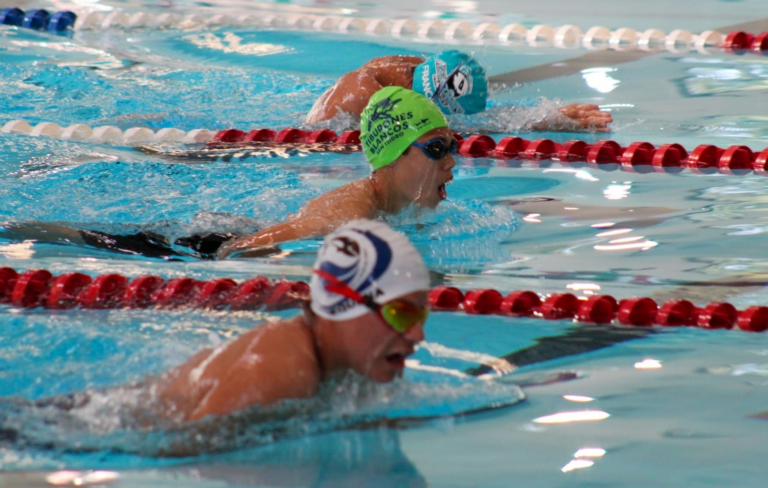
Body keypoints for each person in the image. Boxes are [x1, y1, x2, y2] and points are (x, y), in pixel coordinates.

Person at [0, 86, 455, 260]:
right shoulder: (349, 216)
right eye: (437, 149)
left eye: (452, 147)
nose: (452, 161)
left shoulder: (391, 208)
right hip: (202, 251)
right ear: (392, 156)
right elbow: (256, 249)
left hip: (237, 230)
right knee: (86, 237)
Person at [152, 219, 430, 421]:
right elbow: (182, 449)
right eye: (400, 313)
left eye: (420, 314)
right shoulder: (282, 365)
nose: (418, 335)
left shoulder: (352, 365)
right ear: (345, 307)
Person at [305, 50, 613, 132]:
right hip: (318, 141)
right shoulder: (363, 93)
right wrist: (536, 121)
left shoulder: (414, 69)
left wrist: (545, 117)